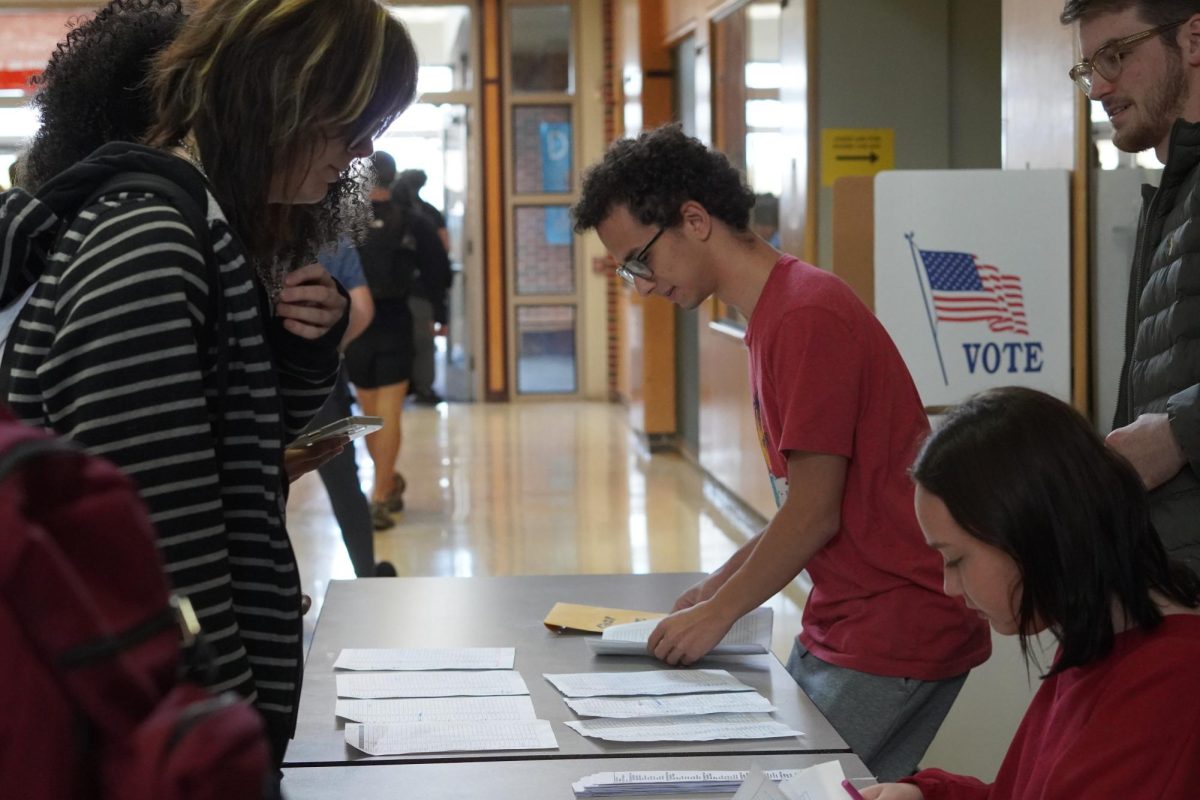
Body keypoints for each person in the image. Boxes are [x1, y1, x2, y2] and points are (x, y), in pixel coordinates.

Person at [0, 0, 418, 762]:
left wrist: (298, 352)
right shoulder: (152, 240)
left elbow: (215, 442)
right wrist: (219, 738)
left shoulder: (202, 223)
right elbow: (159, 554)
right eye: (351, 119)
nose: (358, 150)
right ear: (280, 92)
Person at [570, 124, 990, 781]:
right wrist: (716, 588)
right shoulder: (774, 315)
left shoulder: (804, 317)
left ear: (694, 220)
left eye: (640, 261)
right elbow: (805, 504)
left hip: (897, 622)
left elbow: (815, 514)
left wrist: (720, 611)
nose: (642, 286)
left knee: (790, 789)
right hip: (850, 614)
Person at [863, 387, 1200, 799]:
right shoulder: (1094, 637)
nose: (949, 585)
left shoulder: (1168, 679)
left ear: (1029, 532)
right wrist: (927, 796)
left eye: (955, 559)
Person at [1062, 0, 1200, 576]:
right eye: (1089, 67)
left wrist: (1177, 433)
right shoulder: (1172, 197)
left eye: (1116, 55)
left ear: (1194, 41)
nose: (1098, 87)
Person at [345, 152, 434, 529]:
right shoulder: (412, 220)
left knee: (369, 417)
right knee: (390, 412)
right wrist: (436, 310)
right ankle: (382, 492)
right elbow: (436, 268)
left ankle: (382, 486)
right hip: (396, 321)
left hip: (358, 327)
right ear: (394, 176)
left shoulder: (349, 224)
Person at [310, 239, 398, 577]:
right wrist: (333, 349)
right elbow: (362, 307)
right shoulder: (330, 239)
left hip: (252, 385)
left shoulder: (241, 228)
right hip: (323, 385)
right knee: (344, 482)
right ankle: (366, 573)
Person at [396, 167, 453, 405]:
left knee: (398, 341)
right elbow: (444, 248)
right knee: (423, 342)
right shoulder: (429, 215)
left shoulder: (387, 216)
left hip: (390, 294)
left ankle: (399, 386)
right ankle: (423, 388)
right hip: (421, 291)